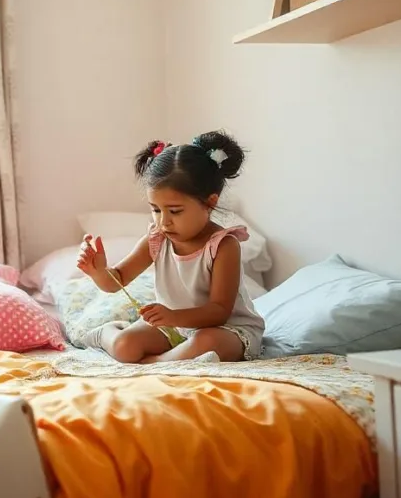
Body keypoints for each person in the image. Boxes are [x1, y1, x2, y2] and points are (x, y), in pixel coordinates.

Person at [76, 131, 264, 363]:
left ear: (210, 202)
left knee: (207, 342)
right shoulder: (157, 239)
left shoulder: (224, 245)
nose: (163, 221)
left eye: (175, 211)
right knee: (125, 346)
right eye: (156, 210)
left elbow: (219, 311)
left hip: (225, 329)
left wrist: (173, 316)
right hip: (175, 326)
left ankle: (155, 363)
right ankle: (107, 333)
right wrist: (98, 272)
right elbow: (117, 280)